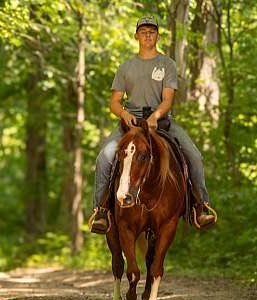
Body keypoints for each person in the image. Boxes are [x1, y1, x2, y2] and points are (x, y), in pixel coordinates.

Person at [89, 15, 216, 234]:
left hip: (161, 121)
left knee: (194, 155)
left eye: (152, 31)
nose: (148, 35)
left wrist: (155, 116)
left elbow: (168, 99)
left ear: (157, 35)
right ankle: (101, 210)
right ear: (136, 35)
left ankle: (200, 205)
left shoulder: (167, 64)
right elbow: (115, 102)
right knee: (104, 157)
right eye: (144, 31)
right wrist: (124, 114)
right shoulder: (126, 67)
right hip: (131, 121)